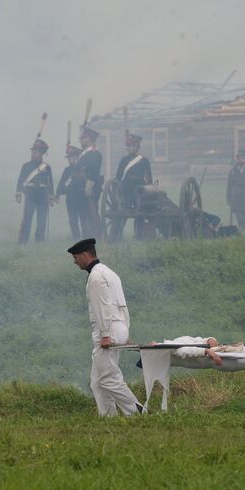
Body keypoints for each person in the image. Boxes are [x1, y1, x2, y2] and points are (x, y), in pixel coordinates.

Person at [68, 238, 144, 417]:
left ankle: (137, 411)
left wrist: (106, 334)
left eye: (76, 257)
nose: (74, 261)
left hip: (107, 329)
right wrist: (125, 331)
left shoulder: (95, 276)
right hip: (118, 326)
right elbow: (122, 305)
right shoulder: (109, 272)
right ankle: (108, 416)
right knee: (97, 381)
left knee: (109, 379)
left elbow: (101, 307)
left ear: (85, 254)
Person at [15, 139, 55, 244]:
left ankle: (39, 241)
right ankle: (23, 241)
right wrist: (18, 193)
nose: (33, 153)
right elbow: (20, 180)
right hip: (30, 194)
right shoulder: (26, 166)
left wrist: (51, 196)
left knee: (41, 220)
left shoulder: (47, 167)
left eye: (35, 152)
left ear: (41, 153)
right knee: (27, 219)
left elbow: (50, 182)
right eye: (33, 151)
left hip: (42, 195)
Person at [115, 133, 152, 239]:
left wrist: (148, 190)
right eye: (127, 146)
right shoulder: (123, 160)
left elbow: (149, 178)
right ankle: (117, 235)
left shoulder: (144, 160)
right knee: (122, 211)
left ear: (136, 146)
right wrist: (117, 189)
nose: (127, 148)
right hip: (126, 189)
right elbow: (118, 177)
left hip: (139, 189)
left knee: (140, 212)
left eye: (130, 146)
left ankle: (139, 235)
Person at [74, 127, 103, 239]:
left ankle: (97, 236)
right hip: (81, 185)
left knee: (92, 212)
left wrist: (89, 184)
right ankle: (87, 236)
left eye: (84, 137)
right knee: (83, 213)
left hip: (90, 186)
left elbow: (94, 171)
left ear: (90, 138)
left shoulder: (94, 153)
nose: (82, 139)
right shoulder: (85, 153)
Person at [56, 144, 88, 240]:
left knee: (84, 219)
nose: (69, 159)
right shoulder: (67, 170)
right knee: (73, 220)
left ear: (77, 157)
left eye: (71, 157)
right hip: (70, 198)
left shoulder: (84, 169)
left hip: (82, 197)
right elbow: (62, 183)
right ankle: (76, 238)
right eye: (69, 157)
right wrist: (57, 194)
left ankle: (86, 238)